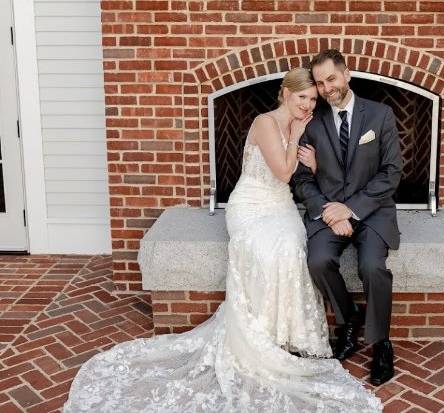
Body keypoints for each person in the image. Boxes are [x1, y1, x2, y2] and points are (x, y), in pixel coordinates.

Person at [62, 68, 382, 412]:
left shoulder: (302, 124)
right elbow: (285, 172)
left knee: (291, 246)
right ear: (285, 93)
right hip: (250, 205)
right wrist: (301, 134)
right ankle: (261, 337)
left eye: (312, 100)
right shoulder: (266, 122)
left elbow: (309, 177)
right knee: (263, 247)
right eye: (301, 97)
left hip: (280, 204)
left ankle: (285, 333)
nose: (307, 105)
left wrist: (316, 163)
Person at [293, 50, 403, 386]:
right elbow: (301, 179)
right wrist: (329, 211)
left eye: (332, 78)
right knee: (318, 260)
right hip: (329, 212)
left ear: (347, 75)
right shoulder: (311, 122)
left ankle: (381, 342)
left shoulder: (380, 115)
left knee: (372, 266)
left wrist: (351, 209)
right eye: (320, 82)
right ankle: (349, 319)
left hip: (371, 210)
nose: (327, 88)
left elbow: (391, 172)